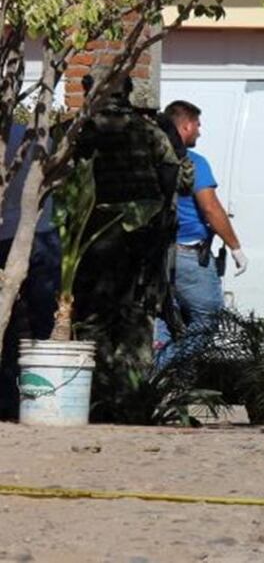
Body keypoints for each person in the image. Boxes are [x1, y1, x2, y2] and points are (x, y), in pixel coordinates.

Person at [73, 74, 193, 421]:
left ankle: (95, 399)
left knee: (93, 318)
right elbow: (180, 180)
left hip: (94, 239)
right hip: (141, 239)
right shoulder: (148, 132)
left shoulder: (83, 131)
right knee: (137, 318)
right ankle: (130, 402)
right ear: (127, 94)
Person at [153, 101, 247, 367]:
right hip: (188, 256)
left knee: (165, 322)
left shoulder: (155, 161)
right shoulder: (193, 163)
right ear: (185, 125)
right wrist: (235, 246)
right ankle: (158, 372)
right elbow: (210, 208)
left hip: (158, 256)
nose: (200, 132)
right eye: (197, 125)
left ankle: (159, 391)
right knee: (207, 320)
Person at [0, 122, 61, 419]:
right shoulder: (38, 136)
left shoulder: (21, 136)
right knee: (40, 324)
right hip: (41, 232)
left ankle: (11, 398)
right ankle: (39, 397)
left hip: (9, 236)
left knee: (9, 323)